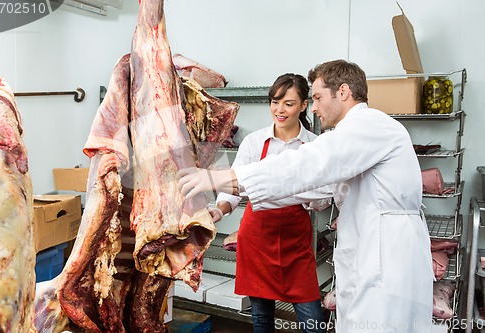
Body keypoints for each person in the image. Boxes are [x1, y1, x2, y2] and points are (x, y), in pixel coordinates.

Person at [179, 59, 434, 333]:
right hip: (365, 250)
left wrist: (222, 178)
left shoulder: (368, 126)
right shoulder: (349, 133)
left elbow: (307, 167)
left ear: (343, 92)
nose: (313, 107)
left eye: (316, 97)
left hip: (384, 256)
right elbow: (306, 187)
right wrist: (225, 194)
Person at [213, 73, 331, 333]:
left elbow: (322, 199)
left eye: (288, 103)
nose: (279, 110)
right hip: (256, 241)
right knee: (262, 320)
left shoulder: (314, 146)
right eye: (274, 102)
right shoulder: (255, 142)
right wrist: (218, 211)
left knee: (312, 323)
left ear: (303, 105)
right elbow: (234, 184)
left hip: (295, 244)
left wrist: (305, 196)